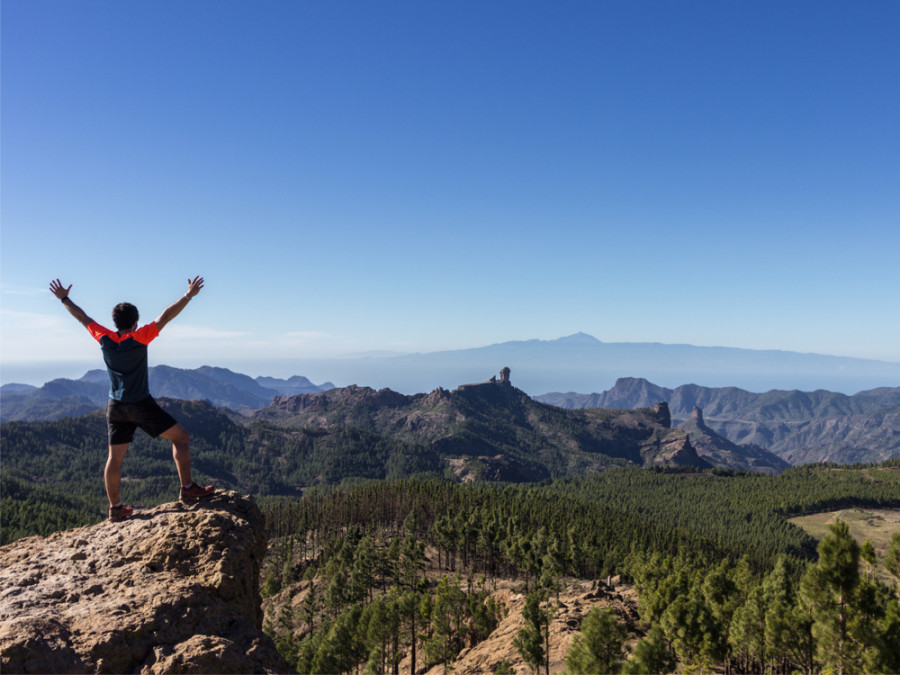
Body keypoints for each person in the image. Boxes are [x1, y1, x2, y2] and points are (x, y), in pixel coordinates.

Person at [50, 276, 214, 521]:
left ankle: (115, 508)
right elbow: (166, 316)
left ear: (115, 322)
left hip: (114, 405)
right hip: (140, 403)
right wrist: (188, 295)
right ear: (135, 323)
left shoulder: (104, 338)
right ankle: (188, 489)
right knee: (181, 438)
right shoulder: (140, 337)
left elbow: (82, 317)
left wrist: (64, 298)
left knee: (114, 458)